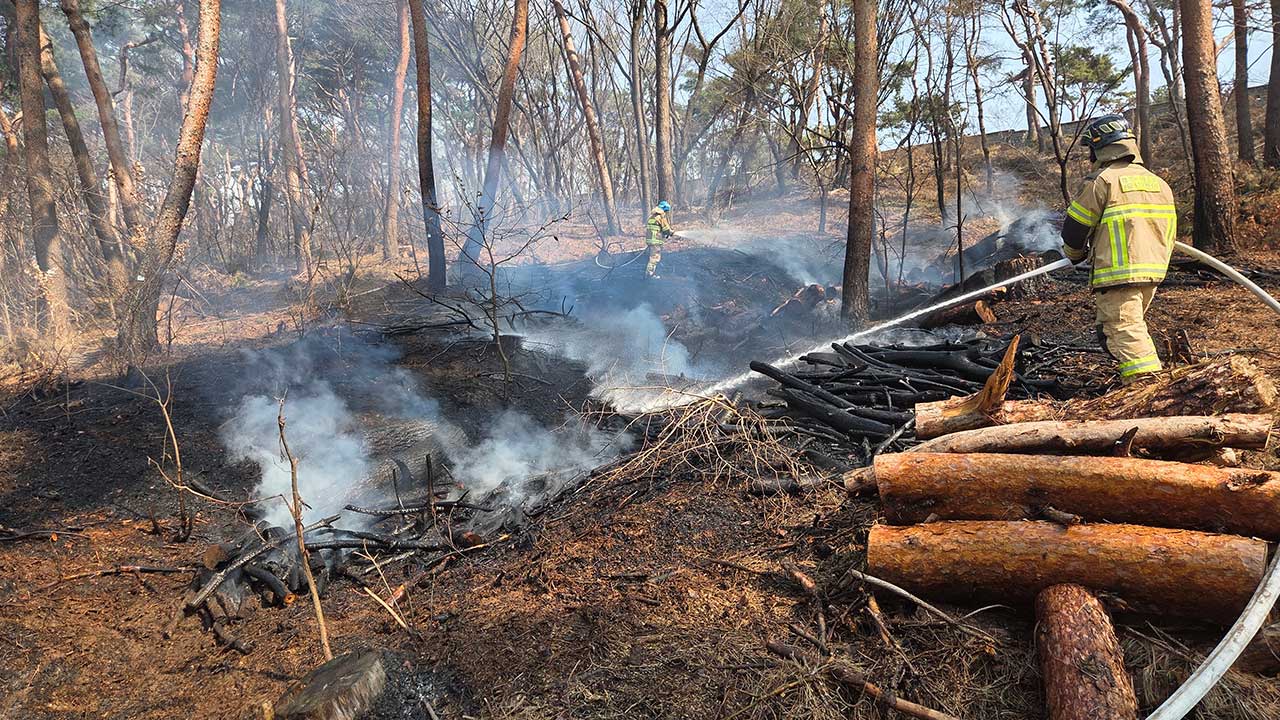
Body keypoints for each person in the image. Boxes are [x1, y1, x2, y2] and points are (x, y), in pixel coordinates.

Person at [1060, 114, 1177, 384]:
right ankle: (1138, 386)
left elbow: (1075, 229)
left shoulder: (1103, 181)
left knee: (1123, 329)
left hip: (1118, 274)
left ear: (1100, 147)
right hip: (1152, 273)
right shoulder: (1159, 184)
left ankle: (1148, 391)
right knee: (1119, 328)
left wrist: (1075, 255)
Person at [645, 201, 675, 279]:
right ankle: (649, 275)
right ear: (664, 210)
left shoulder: (652, 216)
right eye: (666, 211)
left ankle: (649, 273)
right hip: (656, 240)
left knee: (652, 256)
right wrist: (671, 232)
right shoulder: (661, 217)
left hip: (650, 240)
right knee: (654, 258)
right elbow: (666, 229)